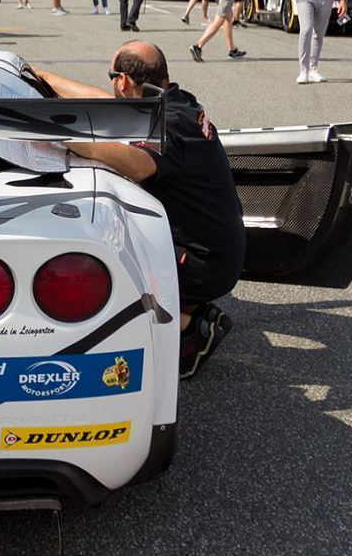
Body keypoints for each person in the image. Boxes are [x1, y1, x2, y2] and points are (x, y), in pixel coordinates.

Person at [34, 41, 244, 379]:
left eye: (111, 77)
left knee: (99, 271)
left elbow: (138, 165)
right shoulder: (175, 101)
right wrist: (44, 77)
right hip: (215, 250)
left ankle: (192, 328)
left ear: (123, 81)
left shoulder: (171, 124)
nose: (110, 86)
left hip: (205, 264)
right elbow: (102, 102)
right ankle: (187, 307)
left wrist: (61, 134)